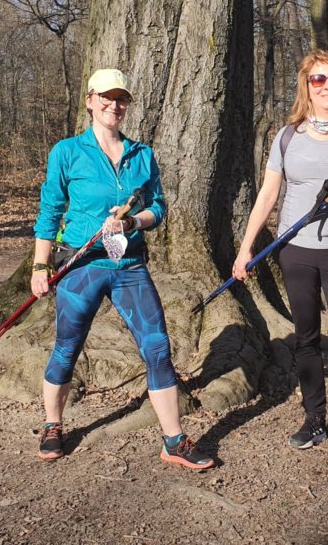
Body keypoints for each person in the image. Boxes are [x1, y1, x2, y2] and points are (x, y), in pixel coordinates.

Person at [30, 68, 214, 469]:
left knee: (157, 347)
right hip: (83, 264)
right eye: (107, 98)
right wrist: (40, 265)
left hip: (129, 265)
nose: (115, 105)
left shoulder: (142, 155)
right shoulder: (67, 152)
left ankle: (174, 440)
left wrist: (133, 222)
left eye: (122, 99)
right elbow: (49, 212)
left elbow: (158, 208)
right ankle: (52, 425)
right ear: (91, 100)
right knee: (67, 346)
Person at [232, 50, 328, 481]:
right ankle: (315, 419)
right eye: (317, 79)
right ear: (306, 85)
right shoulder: (287, 136)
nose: (326, 87)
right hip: (293, 249)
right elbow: (267, 196)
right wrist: (246, 248)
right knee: (304, 339)